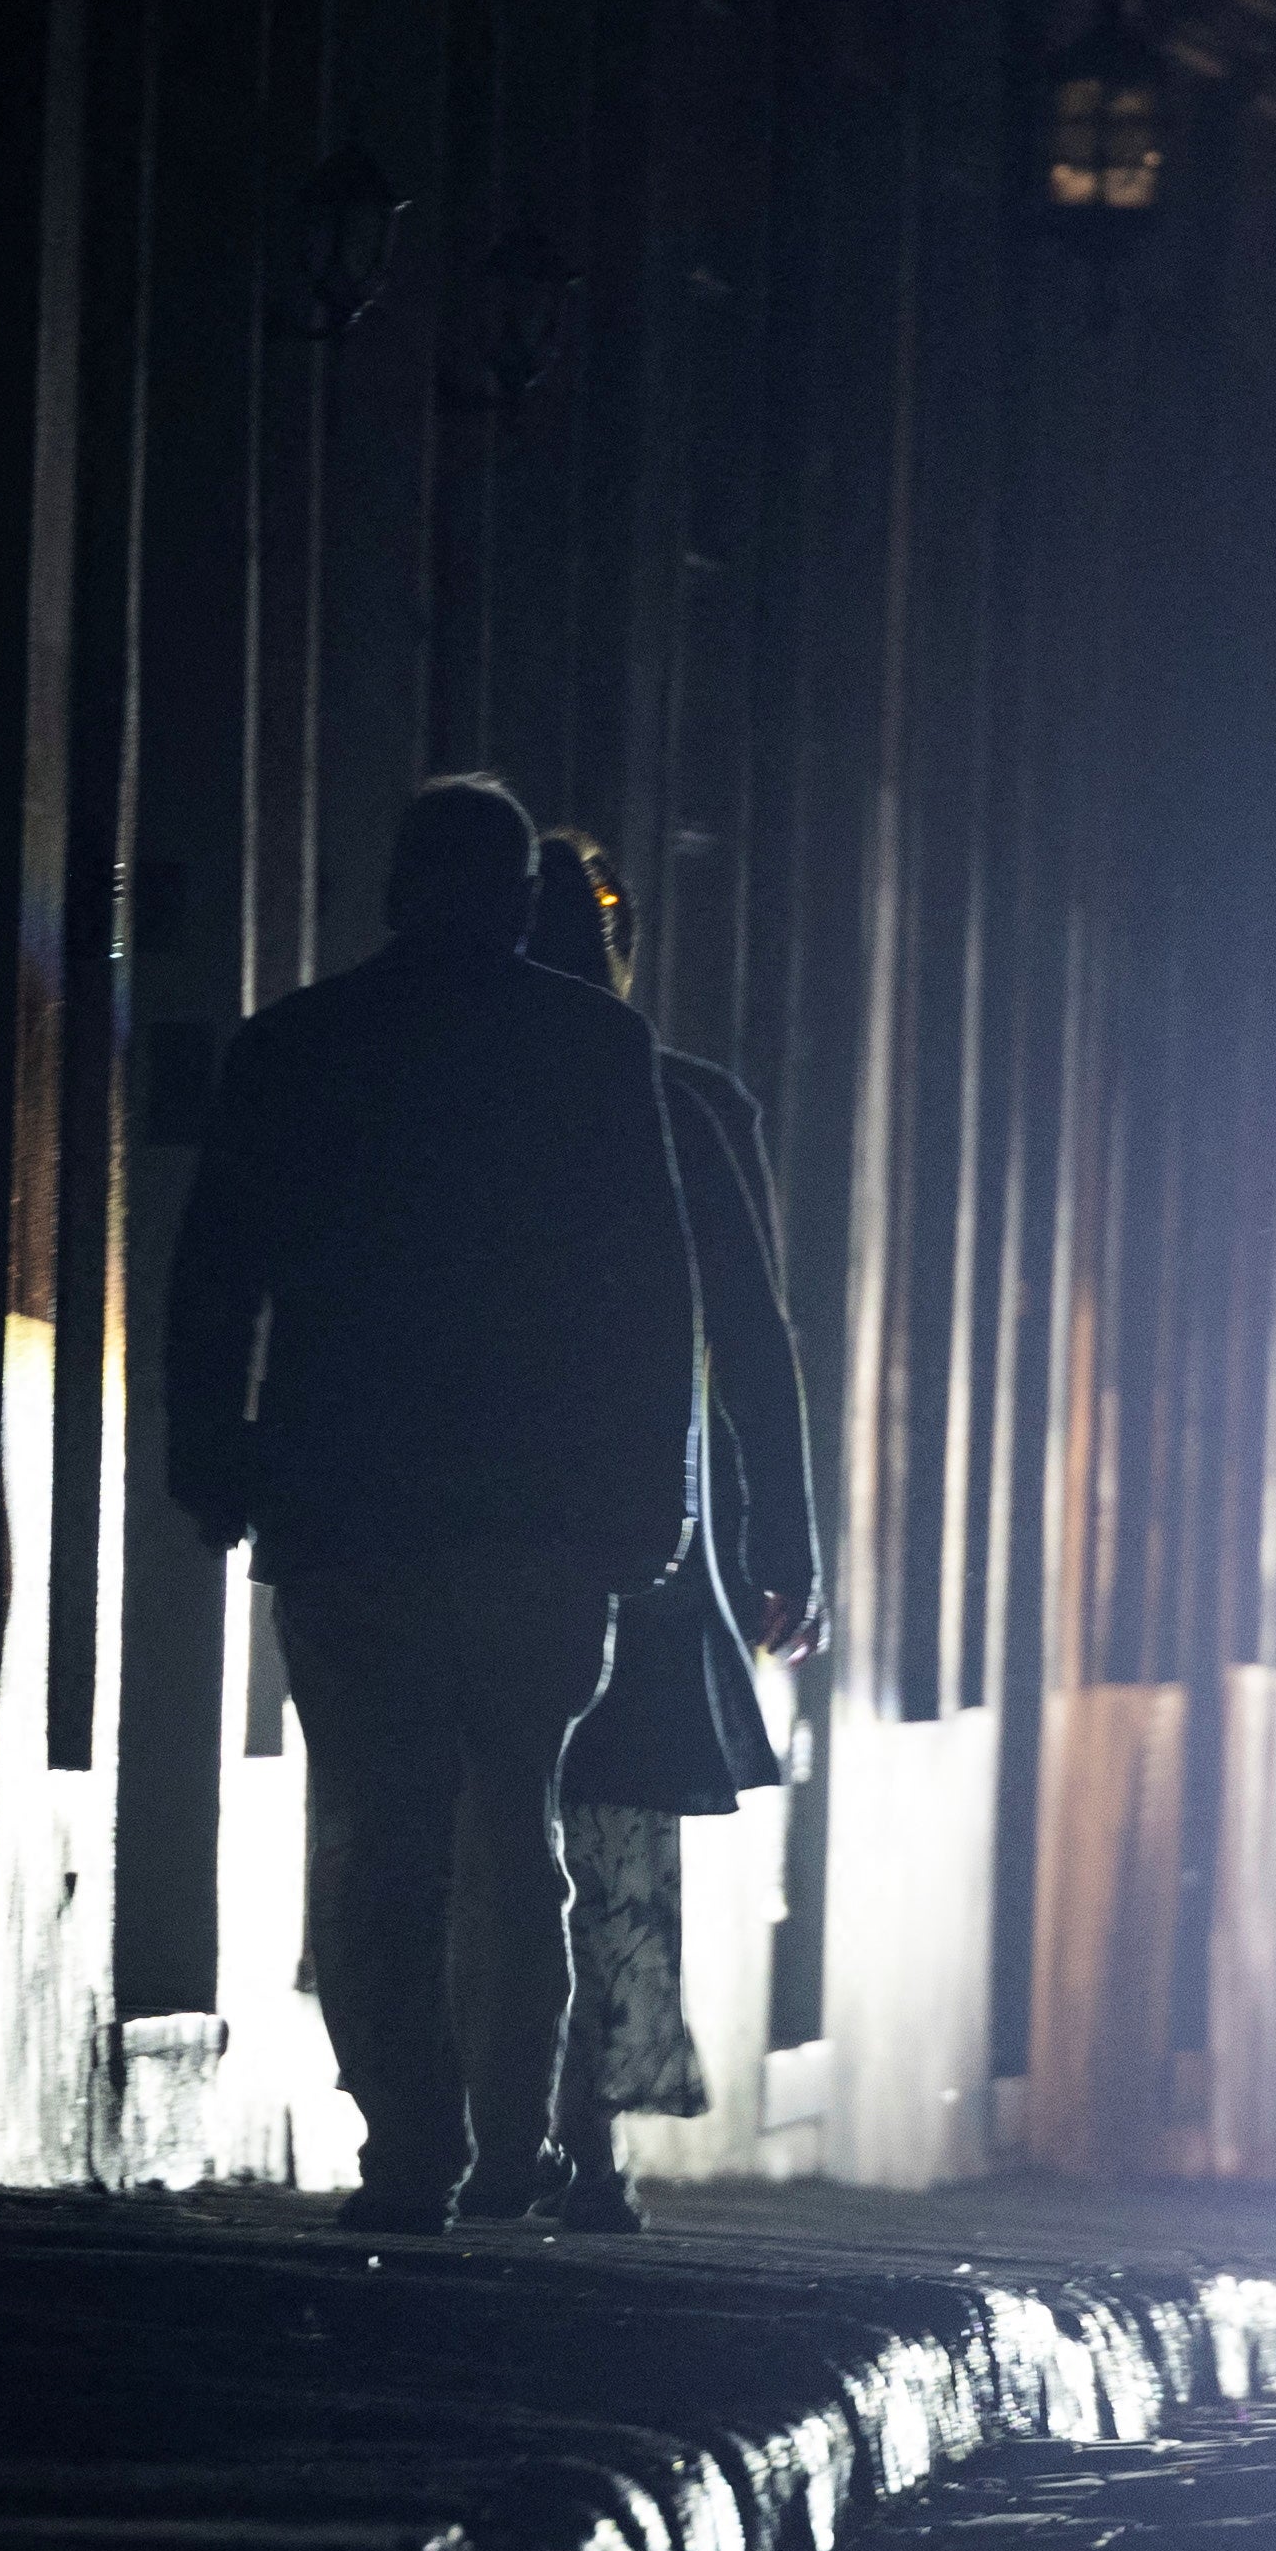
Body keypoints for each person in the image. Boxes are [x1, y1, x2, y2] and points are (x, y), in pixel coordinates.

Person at [162, 775, 701, 2230]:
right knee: (514, 1826)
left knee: (374, 1827)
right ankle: (513, 2135)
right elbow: (655, 1297)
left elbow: (218, 1271)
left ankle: (408, 2138)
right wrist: (654, 1502)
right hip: (541, 1510)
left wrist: (211, 1458)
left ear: (394, 888)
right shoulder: (593, 1046)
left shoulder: (299, 1045)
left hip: (350, 1497)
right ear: (524, 902)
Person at [519, 829, 830, 2231]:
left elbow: (757, 1337)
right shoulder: (684, 1102)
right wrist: (784, 1543)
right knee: (610, 1827)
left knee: (506, 1816)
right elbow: (757, 1340)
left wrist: (783, 1539)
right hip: (641, 1511)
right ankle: (579, 2139)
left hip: (573, 1508)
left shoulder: (462, 1088)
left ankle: (524, 2127)